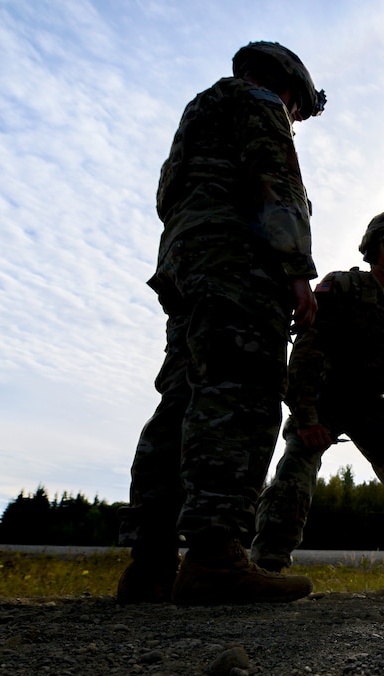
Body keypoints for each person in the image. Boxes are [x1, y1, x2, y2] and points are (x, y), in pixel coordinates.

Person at [116, 41, 328, 605]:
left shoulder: (200, 110)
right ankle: (215, 556)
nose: (296, 121)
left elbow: (168, 197)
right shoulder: (259, 104)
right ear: (288, 87)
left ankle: (151, 563)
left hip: (187, 262)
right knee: (243, 391)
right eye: (299, 111)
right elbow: (274, 179)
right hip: (237, 262)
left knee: (184, 397)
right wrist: (296, 270)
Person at [251, 212, 384, 594]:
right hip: (325, 398)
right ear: (372, 249)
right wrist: (305, 418)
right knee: (295, 467)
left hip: (374, 408)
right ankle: (268, 563)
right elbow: (306, 350)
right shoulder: (343, 286)